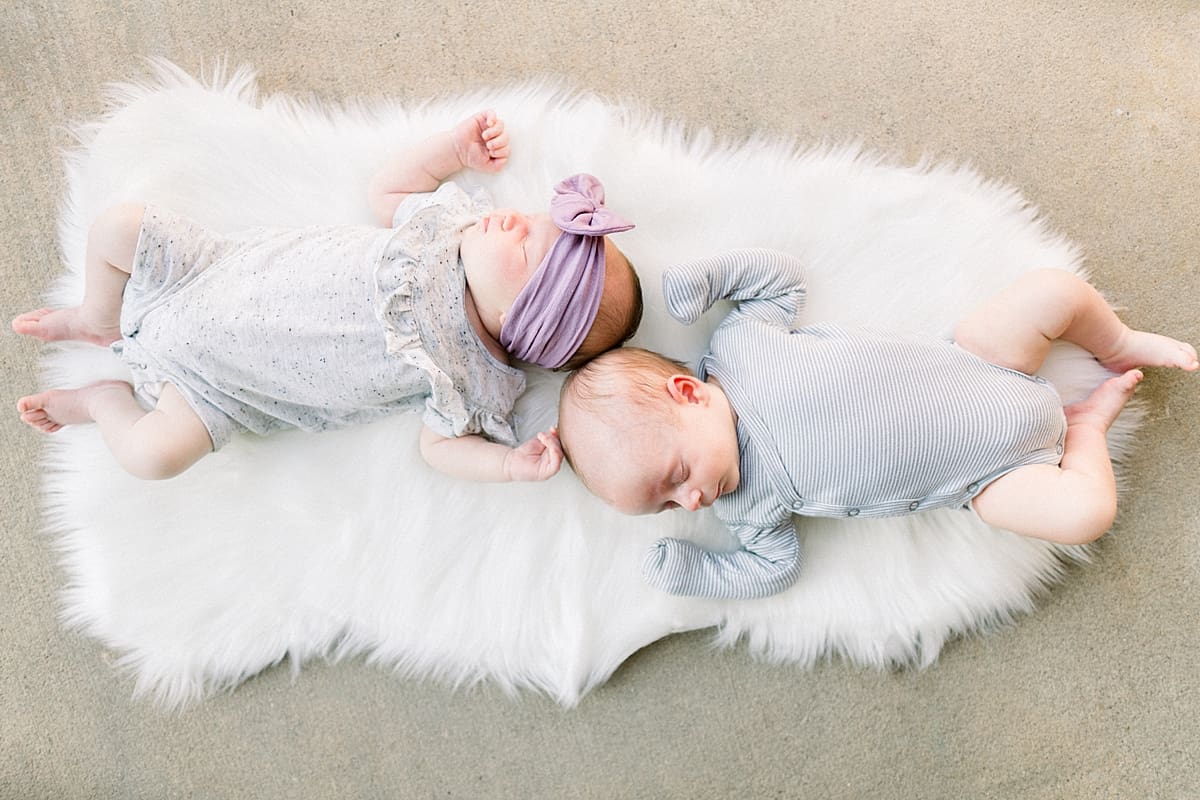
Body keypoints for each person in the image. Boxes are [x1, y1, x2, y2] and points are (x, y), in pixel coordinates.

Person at [14, 111, 638, 482]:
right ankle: (98, 319)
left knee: (152, 457)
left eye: (526, 247)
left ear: (517, 320)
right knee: (119, 224)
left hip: (218, 391)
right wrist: (453, 151)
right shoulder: (444, 228)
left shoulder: (472, 377)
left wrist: (504, 466)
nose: (514, 220)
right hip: (203, 273)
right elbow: (388, 190)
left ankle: (101, 403)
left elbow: (438, 448)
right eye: (532, 217)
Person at [557, 248, 1197, 599]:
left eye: (677, 474)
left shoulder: (743, 343)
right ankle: (1087, 431)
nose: (690, 498)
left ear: (686, 393)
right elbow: (771, 570)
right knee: (1084, 515)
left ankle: (1116, 340)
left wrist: (706, 280)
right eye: (668, 506)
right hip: (990, 478)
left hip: (978, 360)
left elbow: (780, 278)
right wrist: (698, 572)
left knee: (1054, 290)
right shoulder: (748, 509)